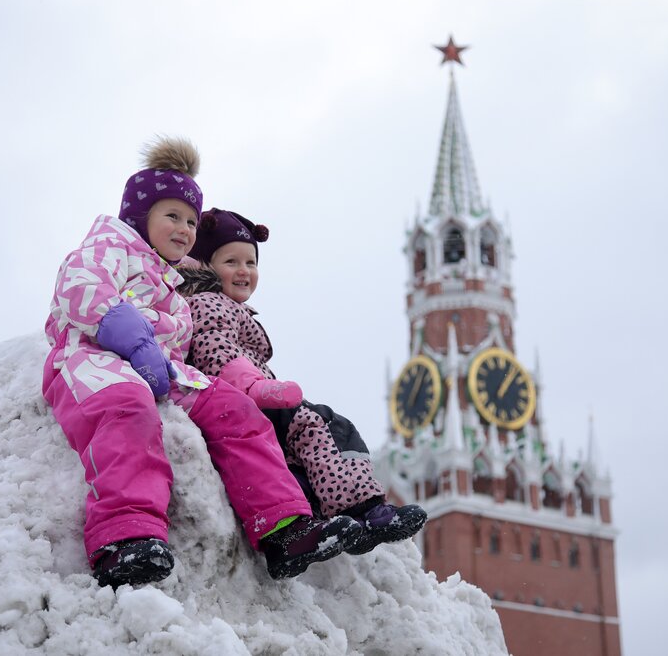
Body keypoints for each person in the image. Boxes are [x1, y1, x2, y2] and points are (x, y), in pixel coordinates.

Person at [42, 138, 361, 588]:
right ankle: (125, 536)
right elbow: (80, 286)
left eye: (191, 220)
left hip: (161, 371)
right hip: (93, 358)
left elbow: (181, 339)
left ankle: (282, 526)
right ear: (140, 216)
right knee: (127, 410)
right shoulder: (111, 244)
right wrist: (131, 336)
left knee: (235, 410)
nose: (184, 228)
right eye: (171, 215)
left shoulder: (173, 283)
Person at [179, 208, 427, 556]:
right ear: (204, 265)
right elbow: (215, 352)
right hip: (241, 398)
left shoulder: (224, 305)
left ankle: (339, 514)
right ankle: (362, 508)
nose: (243, 271)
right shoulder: (208, 303)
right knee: (321, 423)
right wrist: (259, 389)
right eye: (231, 261)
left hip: (249, 397)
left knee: (301, 448)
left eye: (251, 263)